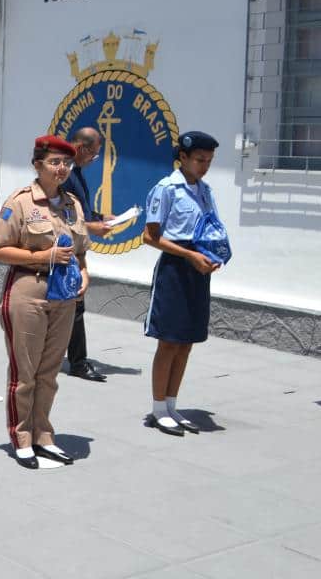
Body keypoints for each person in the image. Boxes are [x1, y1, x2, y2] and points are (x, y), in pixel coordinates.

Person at [0, 135, 90, 469]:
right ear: (37, 165)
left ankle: (44, 434)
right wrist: (43, 256)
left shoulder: (72, 203)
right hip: (28, 290)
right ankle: (21, 437)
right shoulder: (20, 202)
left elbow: (80, 249)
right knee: (25, 371)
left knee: (49, 371)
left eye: (66, 163)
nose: (61, 169)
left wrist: (85, 274)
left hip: (64, 296)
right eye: (54, 162)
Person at [141, 131, 221, 436]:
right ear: (183, 157)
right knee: (169, 339)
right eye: (200, 160)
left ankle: (173, 405)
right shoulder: (166, 189)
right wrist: (188, 255)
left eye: (209, 161)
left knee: (187, 341)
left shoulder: (205, 190)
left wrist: (213, 254)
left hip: (197, 266)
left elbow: (211, 226)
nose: (205, 166)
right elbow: (150, 237)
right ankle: (158, 408)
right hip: (175, 267)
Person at [62, 128, 113, 382]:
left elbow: (79, 208)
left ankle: (68, 358)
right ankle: (78, 363)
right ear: (81, 147)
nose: (95, 158)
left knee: (71, 305)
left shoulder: (77, 172)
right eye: (93, 153)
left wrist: (99, 218)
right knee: (73, 304)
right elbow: (62, 214)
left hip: (75, 249)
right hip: (63, 249)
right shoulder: (66, 172)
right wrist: (92, 227)